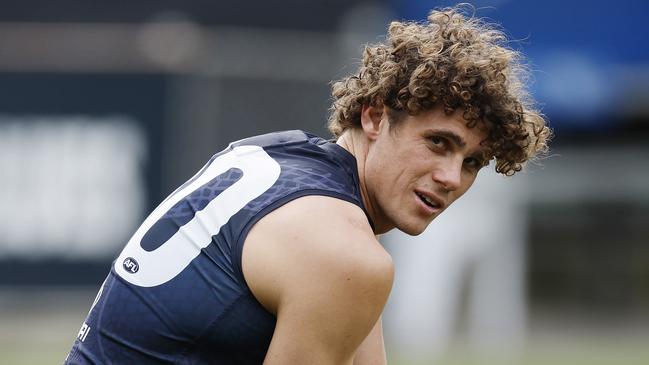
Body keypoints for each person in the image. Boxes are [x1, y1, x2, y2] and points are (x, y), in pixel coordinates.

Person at [65, 6, 550, 365]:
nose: (450, 177)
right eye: (438, 142)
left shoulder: (277, 157)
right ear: (376, 116)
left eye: (472, 163)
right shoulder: (341, 250)